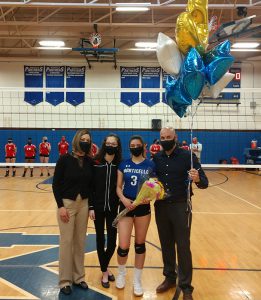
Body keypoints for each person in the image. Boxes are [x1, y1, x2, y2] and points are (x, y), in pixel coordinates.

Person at [153, 127, 208, 300]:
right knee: (166, 244)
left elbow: (204, 182)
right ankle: (169, 278)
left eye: (169, 137)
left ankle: (186, 287)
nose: (165, 139)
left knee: (183, 247)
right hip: (161, 206)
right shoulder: (156, 158)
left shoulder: (188, 157)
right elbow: (150, 182)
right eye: (163, 137)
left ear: (175, 138)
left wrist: (197, 179)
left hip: (181, 206)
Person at [52, 129, 94, 296]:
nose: (85, 141)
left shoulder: (90, 161)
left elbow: (91, 186)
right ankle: (65, 281)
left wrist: (90, 206)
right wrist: (60, 206)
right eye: (83, 139)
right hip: (67, 204)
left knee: (80, 241)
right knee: (67, 242)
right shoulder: (64, 159)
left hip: (84, 204)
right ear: (77, 140)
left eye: (88, 140)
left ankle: (78, 277)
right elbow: (56, 184)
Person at [116, 135, 156, 296]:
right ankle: (121, 274)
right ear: (129, 147)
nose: (135, 147)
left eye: (137, 145)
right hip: (126, 206)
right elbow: (118, 187)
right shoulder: (123, 164)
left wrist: (149, 197)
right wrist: (124, 199)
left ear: (143, 146)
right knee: (123, 246)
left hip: (142, 208)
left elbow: (154, 186)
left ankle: (137, 280)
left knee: (140, 245)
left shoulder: (150, 165)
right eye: (132, 145)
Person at [89, 134, 122, 288]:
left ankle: (105, 266)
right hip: (98, 208)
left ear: (117, 145)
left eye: (113, 143)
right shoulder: (95, 162)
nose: (110, 145)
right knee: (100, 240)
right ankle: (104, 272)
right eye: (108, 142)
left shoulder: (119, 164)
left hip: (113, 209)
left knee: (112, 243)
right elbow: (90, 186)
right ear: (104, 144)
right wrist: (90, 207)